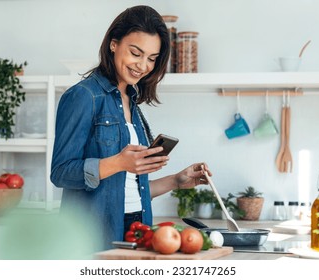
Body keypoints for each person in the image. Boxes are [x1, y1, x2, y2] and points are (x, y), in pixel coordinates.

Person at [50, 5, 211, 251]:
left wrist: (176, 181)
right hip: (93, 236)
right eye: (136, 53)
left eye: (152, 59)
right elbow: (60, 172)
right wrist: (119, 163)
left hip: (139, 228)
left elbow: (129, 190)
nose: (143, 65)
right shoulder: (83, 96)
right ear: (114, 44)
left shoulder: (133, 102)